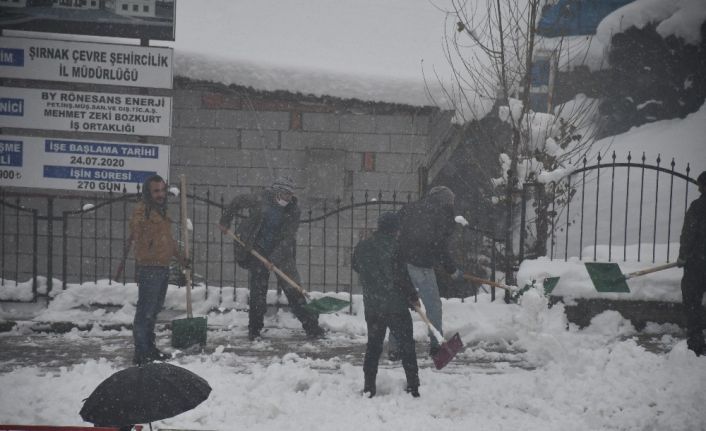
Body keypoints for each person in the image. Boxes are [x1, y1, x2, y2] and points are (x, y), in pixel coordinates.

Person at [218, 176, 324, 340]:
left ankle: (312, 328)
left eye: (290, 195)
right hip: (257, 249)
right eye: (285, 194)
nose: (288, 198)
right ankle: (254, 331)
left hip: (281, 253)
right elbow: (237, 201)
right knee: (258, 293)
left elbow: (288, 237)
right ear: (277, 192)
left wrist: (273, 259)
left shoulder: (293, 210)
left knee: (294, 289)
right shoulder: (260, 199)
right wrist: (225, 221)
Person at [389, 185, 464, 358]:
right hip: (422, 266)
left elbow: (394, 231)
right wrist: (451, 270)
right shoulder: (443, 214)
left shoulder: (410, 208)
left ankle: (394, 348)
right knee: (433, 307)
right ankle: (436, 347)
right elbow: (440, 245)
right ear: (446, 200)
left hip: (402, 263)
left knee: (399, 306)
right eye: (451, 201)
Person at [353, 212, 420, 398]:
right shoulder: (396, 247)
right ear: (394, 230)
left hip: (373, 306)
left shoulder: (362, 246)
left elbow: (356, 266)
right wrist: (413, 296)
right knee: (407, 345)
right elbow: (401, 277)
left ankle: (369, 386)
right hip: (395, 307)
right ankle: (413, 385)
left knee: (373, 346)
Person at [128, 175, 187, 365]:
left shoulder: (161, 212)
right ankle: (141, 353)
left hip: (162, 267)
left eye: (162, 190)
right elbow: (136, 230)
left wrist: (181, 258)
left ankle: (149, 349)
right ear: (148, 193)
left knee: (153, 311)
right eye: (156, 191)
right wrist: (142, 221)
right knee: (145, 311)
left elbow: (168, 241)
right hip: (149, 268)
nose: (161, 194)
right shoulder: (142, 210)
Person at [677, 171, 706, 356]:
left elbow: (688, 234)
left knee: (693, 301)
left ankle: (696, 343)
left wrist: (682, 257)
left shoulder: (698, 207)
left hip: (698, 263)